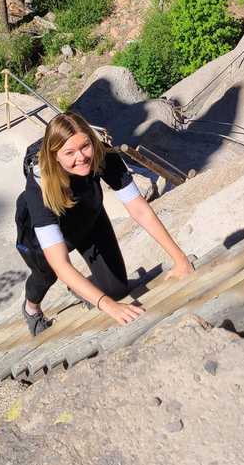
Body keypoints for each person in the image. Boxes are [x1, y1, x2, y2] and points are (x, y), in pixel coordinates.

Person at [15, 111, 194, 335]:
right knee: (46, 275)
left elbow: (140, 209)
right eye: (69, 152)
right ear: (54, 156)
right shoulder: (39, 190)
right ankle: (31, 309)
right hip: (41, 233)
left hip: (88, 215)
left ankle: (82, 287)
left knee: (117, 289)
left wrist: (180, 259)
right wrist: (109, 307)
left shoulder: (103, 155)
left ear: (92, 140)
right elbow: (60, 263)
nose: (81, 157)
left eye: (85, 146)